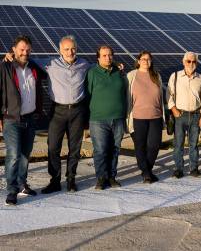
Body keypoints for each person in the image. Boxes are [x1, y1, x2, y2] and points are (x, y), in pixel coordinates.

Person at [40, 35, 90, 194]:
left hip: (77, 111)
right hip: (58, 112)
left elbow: (101, 66)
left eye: (73, 48)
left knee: (75, 148)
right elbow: (26, 60)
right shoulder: (49, 64)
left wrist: (117, 65)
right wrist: (10, 57)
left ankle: (71, 180)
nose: (70, 52)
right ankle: (55, 181)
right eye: (66, 49)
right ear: (60, 50)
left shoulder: (84, 64)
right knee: (53, 147)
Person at [0, 35, 47, 205]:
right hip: (11, 119)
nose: (24, 52)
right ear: (13, 49)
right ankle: (12, 190)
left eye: (27, 50)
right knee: (13, 155)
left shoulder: (33, 67)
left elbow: (49, 70)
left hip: (30, 118)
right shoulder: (5, 67)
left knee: (25, 155)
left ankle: (22, 184)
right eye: (21, 49)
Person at [86, 45, 127, 190]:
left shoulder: (119, 72)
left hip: (118, 118)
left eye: (110, 55)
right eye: (104, 55)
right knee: (101, 150)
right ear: (98, 57)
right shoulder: (92, 73)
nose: (108, 58)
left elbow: (125, 93)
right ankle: (101, 178)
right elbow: (87, 95)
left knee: (115, 149)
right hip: (98, 119)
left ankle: (112, 176)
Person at [126, 51, 165, 183]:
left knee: (154, 145)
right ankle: (146, 173)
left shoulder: (156, 76)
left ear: (151, 61)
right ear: (138, 61)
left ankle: (147, 170)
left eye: (148, 59)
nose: (146, 61)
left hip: (156, 116)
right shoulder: (131, 76)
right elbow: (127, 96)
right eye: (143, 59)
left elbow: (160, 98)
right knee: (140, 146)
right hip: (138, 117)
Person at [167, 52, 201, 178]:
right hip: (180, 115)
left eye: (194, 61)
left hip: (195, 115)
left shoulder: (200, 78)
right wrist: (173, 109)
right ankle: (178, 169)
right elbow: (169, 94)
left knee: (193, 145)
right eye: (188, 61)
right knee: (178, 144)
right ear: (183, 62)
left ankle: (194, 168)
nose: (191, 64)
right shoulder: (175, 76)